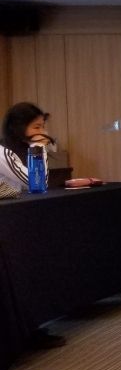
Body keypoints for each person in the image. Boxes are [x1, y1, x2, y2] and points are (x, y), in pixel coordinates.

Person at [1, 102, 66, 348]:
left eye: (43, 126)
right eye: (36, 126)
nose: (43, 131)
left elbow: (42, 183)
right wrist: (39, 146)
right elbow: (35, 183)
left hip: (18, 219)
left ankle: (32, 326)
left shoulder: (22, 149)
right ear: (20, 128)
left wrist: (37, 147)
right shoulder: (3, 152)